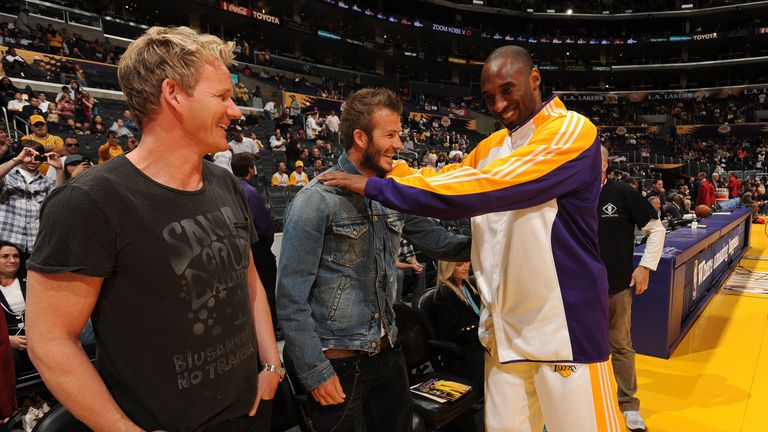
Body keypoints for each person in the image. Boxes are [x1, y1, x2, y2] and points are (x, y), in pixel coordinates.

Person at [320, 46, 625, 432]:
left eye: (507, 90)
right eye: (487, 98)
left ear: (535, 80)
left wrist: (377, 188)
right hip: (504, 332)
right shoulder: (492, 146)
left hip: (564, 330)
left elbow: (485, 187)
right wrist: (391, 173)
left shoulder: (572, 131)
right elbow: (447, 177)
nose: (498, 105)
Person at [25, 26, 281, 432]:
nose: (236, 112)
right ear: (173, 93)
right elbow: (50, 340)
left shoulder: (226, 183)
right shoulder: (88, 201)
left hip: (249, 409)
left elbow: (247, 280)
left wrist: (271, 363)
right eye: (222, 97)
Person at [277, 87, 471, 432]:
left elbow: (440, 242)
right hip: (337, 364)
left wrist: (502, 242)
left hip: (388, 352)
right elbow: (290, 298)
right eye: (391, 135)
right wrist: (314, 372)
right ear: (360, 137)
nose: (400, 144)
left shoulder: (389, 193)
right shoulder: (315, 202)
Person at [597, 145, 665, 432]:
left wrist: (645, 266)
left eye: (592, 159)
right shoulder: (570, 194)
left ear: (604, 164)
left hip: (615, 289)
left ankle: (628, 405)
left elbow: (656, 228)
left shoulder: (621, 192)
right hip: (576, 291)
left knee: (621, 347)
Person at [231, 154, 278, 333]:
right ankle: (272, 324)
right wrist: (268, 241)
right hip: (257, 245)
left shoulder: (231, 189)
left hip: (241, 245)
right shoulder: (250, 192)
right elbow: (264, 224)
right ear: (250, 169)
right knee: (267, 285)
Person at [0, 143, 64, 259]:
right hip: (6, 243)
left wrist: (59, 170)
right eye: (29, 155)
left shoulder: (47, 182)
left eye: (37, 157)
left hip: (35, 244)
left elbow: (58, 203)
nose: (33, 160)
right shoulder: (7, 176)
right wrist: (18, 159)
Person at [433, 261, 484, 390]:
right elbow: (453, 334)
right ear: (448, 267)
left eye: (467, 262)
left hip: (479, 338)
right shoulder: (444, 294)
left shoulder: (469, 284)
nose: (466, 267)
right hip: (463, 351)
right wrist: (483, 326)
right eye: (460, 264)